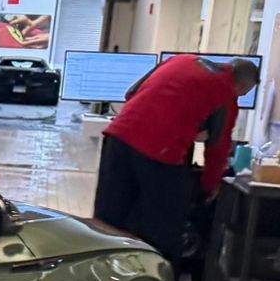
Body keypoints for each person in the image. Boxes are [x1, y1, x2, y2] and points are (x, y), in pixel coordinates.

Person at [93, 54, 261, 261]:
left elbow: (131, 94)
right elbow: (217, 150)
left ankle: (98, 270)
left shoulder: (180, 60)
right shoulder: (226, 95)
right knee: (162, 229)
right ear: (242, 88)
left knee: (108, 218)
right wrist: (208, 189)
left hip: (118, 137)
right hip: (159, 153)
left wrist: (187, 128)